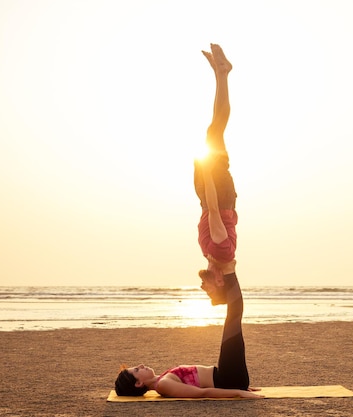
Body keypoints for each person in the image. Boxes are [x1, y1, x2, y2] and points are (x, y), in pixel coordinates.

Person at [114, 44, 262, 399]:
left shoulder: (216, 254)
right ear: (139, 383)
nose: (141, 365)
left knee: (215, 130)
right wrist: (207, 171)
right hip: (218, 195)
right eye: (136, 370)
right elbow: (204, 396)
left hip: (228, 373)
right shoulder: (163, 384)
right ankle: (223, 75)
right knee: (214, 134)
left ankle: (222, 75)